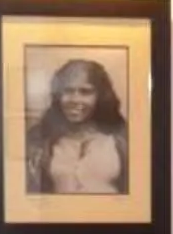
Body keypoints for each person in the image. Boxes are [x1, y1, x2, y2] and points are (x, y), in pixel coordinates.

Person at [26, 57, 131, 195]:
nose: (75, 100)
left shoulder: (122, 138)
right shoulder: (40, 140)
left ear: (101, 96)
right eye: (68, 91)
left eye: (85, 92)